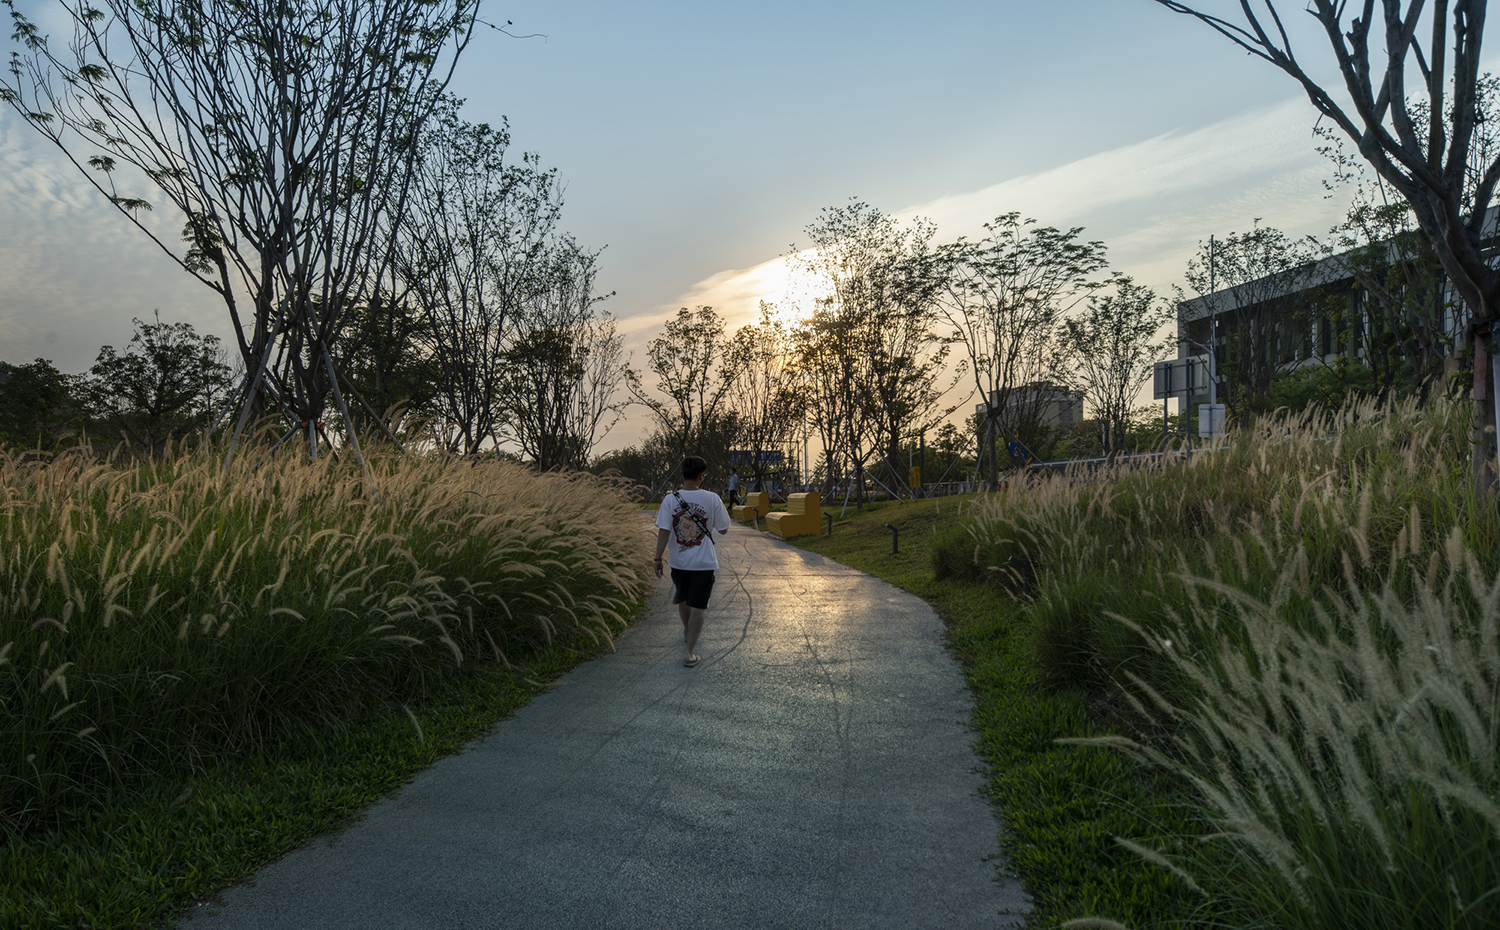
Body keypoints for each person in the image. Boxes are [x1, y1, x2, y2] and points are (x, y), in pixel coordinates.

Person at [654, 455, 731, 667]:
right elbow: (724, 529)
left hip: (679, 562)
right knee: (699, 606)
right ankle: (689, 652)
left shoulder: (670, 500)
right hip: (704, 563)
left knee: (684, 599)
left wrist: (658, 557)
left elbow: (663, 531)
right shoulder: (713, 498)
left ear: (683, 475)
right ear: (701, 476)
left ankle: (688, 631)